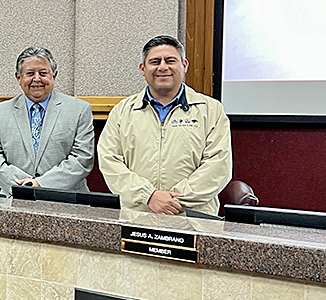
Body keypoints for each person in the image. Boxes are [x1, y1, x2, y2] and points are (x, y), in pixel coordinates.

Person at [98, 35, 232, 215]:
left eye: (170, 61)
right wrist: (149, 196)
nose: (162, 67)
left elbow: (218, 166)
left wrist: (171, 201)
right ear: (142, 69)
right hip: (139, 215)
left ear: (184, 65)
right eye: (155, 62)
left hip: (193, 218)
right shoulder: (122, 112)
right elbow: (109, 161)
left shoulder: (211, 110)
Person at [0, 47, 94, 192]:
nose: (37, 79)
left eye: (43, 73)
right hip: (16, 196)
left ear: (54, 75)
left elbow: (82, 159)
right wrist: (25, 186)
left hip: (66, 199)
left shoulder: (79, 110)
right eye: (30, 73)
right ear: (18, 77)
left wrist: (41, 184)